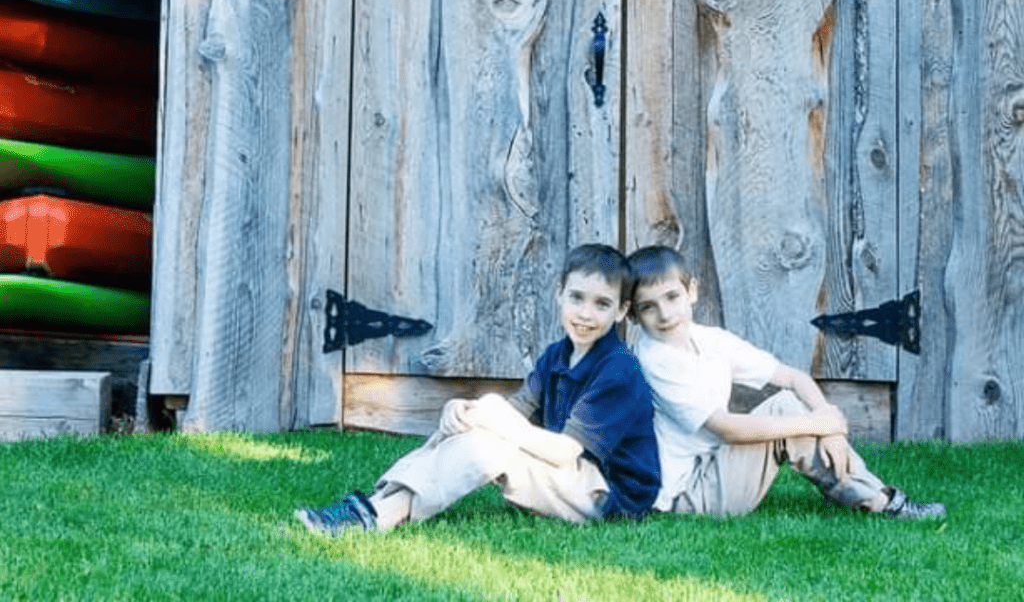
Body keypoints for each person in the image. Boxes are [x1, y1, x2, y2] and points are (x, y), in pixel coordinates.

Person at [295, 244, 661, 536]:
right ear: (559, 295)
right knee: (477, 423)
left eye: (601, 304)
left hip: (608, 496)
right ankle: (378, 505)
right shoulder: (558, 354)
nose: (585, 313)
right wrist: (463, 410)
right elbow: (516, 410)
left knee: (490, 442)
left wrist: (497, 422)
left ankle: (375, 516)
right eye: (577, 298)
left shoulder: (619, 370)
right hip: (569, 477)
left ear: (620, 311)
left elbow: (565, 452)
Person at [626, 245, 945, 521]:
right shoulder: (655, 358)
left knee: (788, 405)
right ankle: (881, 502)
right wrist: (814, 422)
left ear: (691, 291)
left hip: (713, 466)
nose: (665, 314)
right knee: (787, 413)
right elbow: (726, 428)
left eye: (671, 297)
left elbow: (793, 378)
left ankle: (871, 495)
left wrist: (829, 425)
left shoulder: (711, 340)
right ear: (634, 316)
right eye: (648, 307)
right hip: (686, 493)